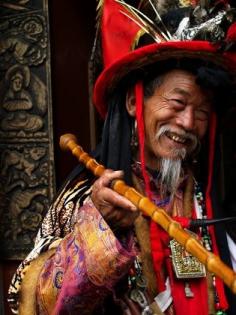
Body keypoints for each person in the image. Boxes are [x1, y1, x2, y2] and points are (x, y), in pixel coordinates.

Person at [8, 1, 236, 314]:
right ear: (133, 102)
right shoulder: (89, 196)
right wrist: (101, 230)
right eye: (177, 102)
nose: (187, 122)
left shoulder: (200, 196)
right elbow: (34, 304)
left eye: (202, 111)